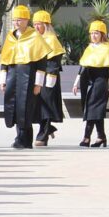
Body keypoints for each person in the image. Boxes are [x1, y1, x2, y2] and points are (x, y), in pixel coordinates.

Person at [0, 5, 52, 149]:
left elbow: (42, 63)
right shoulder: (10, 37)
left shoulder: (35, 37)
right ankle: (22, 138)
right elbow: (5, 61)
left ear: (26, 20)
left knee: (25, 108)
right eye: (15, 20)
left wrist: (38, 84)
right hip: (12, 77)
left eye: (20, 20)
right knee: (14, 107)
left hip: (28, 78)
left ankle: (22, 138)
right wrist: (2, 80)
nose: (17, 22)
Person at [72, 21, 109, 147]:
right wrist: (76, 83)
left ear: (102, 34)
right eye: (92, 33)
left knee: (92, 108)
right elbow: (83, 67)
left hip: (101, 81)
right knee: (96, 109)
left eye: (96, 33)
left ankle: (86, 137)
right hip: (88, 82)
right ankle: (101, 137)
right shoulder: (89, 48)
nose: (94, 36)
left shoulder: (107, 48)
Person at [32, 11, 66, 147]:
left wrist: (50, 77)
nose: (36, 27)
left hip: (47, 78)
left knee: (46, 105)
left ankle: (43, 135)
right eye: (34, 24)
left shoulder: (51, 39)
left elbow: (55, 61)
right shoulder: (34, 39)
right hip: (36, 78)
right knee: (38, 105)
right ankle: (48, 128)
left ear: (46, 25)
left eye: (38, 24)